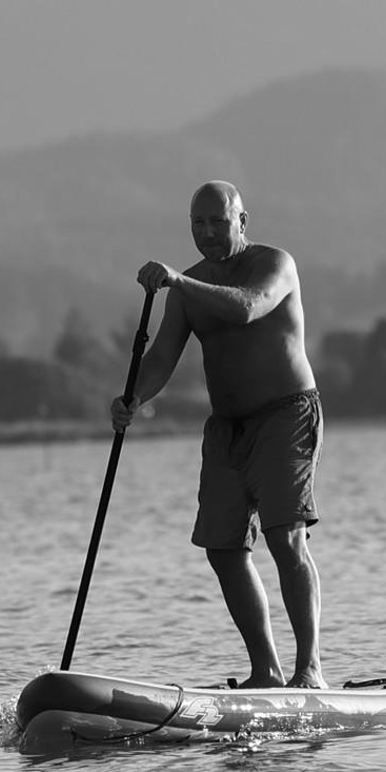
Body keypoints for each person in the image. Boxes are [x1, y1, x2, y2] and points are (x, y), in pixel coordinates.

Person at [110, 180, 325, 689]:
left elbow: (248, 306)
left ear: (242, 222)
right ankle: (266, 673)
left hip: (286, 414)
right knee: (222, 549)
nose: (207, 233)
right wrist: (132, 399)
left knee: (284, 537)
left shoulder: (275, 264)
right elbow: (162, 356)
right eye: (197, 224)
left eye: (218, 222)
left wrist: (180, 283)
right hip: (227, 429)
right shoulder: (189, 289)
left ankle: (309, 669)